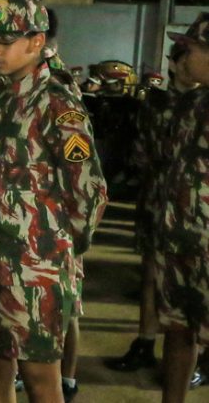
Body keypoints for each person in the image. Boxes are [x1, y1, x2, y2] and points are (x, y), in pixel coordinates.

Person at [0, 0, 108, 403]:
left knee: (43, 380)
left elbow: (90, 189)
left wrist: (57, 250)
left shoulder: (58, 104)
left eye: (4, 42)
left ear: (37, 41)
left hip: (36, 271)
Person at [107, 42, 200, 377]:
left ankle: (194, 357)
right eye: (184, 58)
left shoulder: (200, 104)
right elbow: (141, 152)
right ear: (174, 65)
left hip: (192, 211)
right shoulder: (157, 102)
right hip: (157, 203)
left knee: (192, 289)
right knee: (151, 274)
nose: (190, 65)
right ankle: (145, 342)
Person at [155, 13, 209, 403]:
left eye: (190, 50)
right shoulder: (190, 105)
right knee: (177, 330)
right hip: (179, 245)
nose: (182, 57)